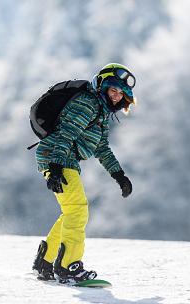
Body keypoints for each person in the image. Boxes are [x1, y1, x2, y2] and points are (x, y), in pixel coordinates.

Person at [32, 63, 137, 284]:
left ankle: (45, 261)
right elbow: (66, 134)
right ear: (102, 86)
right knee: (77, 210)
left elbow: (102, 148)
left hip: (61, 158)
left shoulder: (101, 111)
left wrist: (119, 175)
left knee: (72, 211)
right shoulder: (87, 104)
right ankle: (68, 267)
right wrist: (56, 168)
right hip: (58, 157)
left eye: (121, 93)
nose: (117, 96)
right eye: (113, 90)